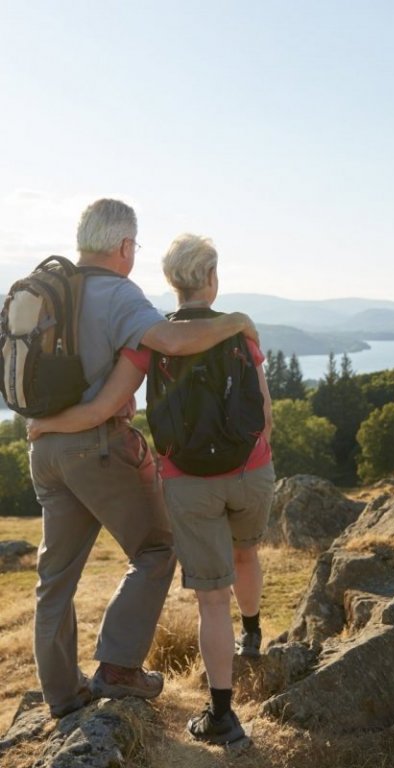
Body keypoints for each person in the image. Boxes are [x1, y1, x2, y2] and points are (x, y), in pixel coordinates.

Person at [29, 233, 275, 745]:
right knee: (205, 551)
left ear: (171, 280)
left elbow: (108, 401)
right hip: (236, 470)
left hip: (161, 477)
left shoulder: (106, 319)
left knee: (63, 579)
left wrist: (44, 426)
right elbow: (261, 411)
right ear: (211, 278)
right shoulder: (228, 333)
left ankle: (215, 714)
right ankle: (242, 634)